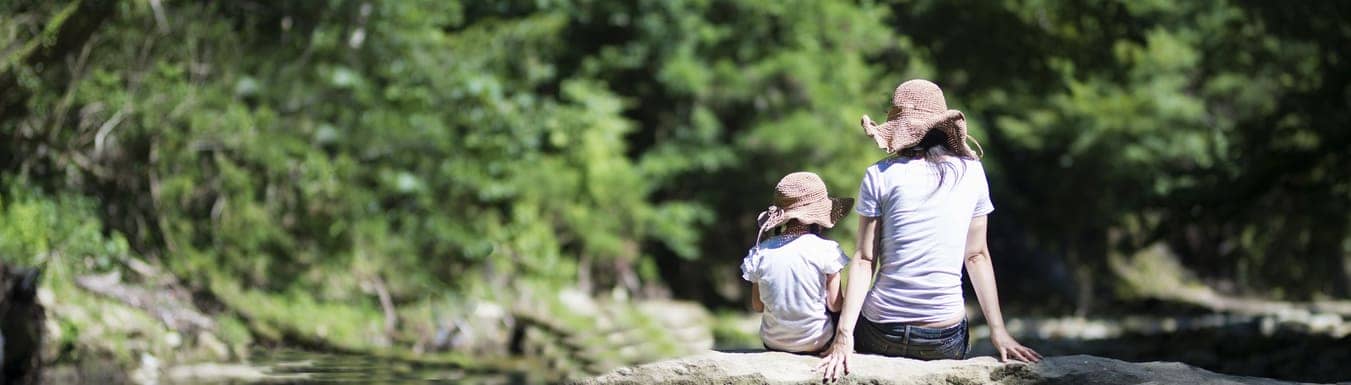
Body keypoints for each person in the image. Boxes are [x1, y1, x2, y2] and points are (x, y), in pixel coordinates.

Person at [818, 79, 1041, 381]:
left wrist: (844, 335)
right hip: (943, 338)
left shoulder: (880, 174)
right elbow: (976, 257)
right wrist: (998, 332)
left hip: (882, 331)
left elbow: (864, 260)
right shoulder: (972, 172)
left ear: (898, 128)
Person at [741, 172, 855, 354]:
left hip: (772, 342)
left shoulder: (760, 252)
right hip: (818, 342)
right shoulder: (827, 250)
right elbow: (835, 305)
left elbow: (757, 306)